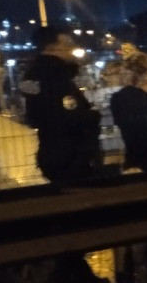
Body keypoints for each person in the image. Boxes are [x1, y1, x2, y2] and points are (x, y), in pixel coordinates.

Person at [21, 26, 100, 185]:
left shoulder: (36, 73)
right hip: (69, 155)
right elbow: (68, 115)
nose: (72, 48)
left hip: (54, 151)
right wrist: (93, 115)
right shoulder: (55, 75)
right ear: (52, 47)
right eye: (68, 43)